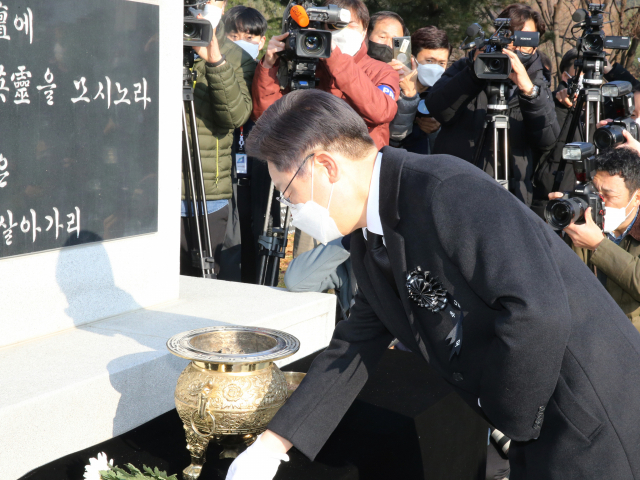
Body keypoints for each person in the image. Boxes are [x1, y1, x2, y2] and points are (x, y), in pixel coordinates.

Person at [226, 89, 640, 480]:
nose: (292, 209)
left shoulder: (444, 189)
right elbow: (355, 344)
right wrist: (272, 444)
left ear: (326, 167)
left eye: (289, 192)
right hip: (537, 415)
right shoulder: (369, 235)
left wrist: (506, 417)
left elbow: (538, 312)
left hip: (590, 411)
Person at [426, 3, 559, 206]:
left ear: (535, 45)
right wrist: (474, 73)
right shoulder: (467, 66)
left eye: (525, 40)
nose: (515, 47)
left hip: (512, 195)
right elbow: (437, 109)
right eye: (511, 37)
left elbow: (548, 140)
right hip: (458, 188)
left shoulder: (537, 82)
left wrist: (529, 91)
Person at [251, 0, 400, 150]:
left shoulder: (382, 71)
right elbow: (268, 118)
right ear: (322, 28)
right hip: (314, 165)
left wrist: (337, 59)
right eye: (334, 25)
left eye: (351, 25)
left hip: (360, 167)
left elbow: (381, 112)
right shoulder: (308, 66)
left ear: (364, 31)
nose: (343, 31)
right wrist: (269, 66)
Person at [180, 0, 255, 279]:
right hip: (155, 192)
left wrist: (214, 60)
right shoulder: (154, 42)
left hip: (208, 195)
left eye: (210, 0)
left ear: (222, 4)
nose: (203, 5)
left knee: (204, 286)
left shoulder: (238, 57)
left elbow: (235, 117)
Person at [549, 147, 640, 333]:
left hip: (630, 342)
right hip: (588, 336)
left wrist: (599, 245)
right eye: (596, 192)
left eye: (609, 196)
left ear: (637, 197)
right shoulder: (589, 219)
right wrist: (562, 224)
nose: (601, 201)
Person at [221, 5, 280, 283]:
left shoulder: (270, 71)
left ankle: (259, 283)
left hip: (259, 165)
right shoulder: (218, 69)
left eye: (252, 37)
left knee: (260, 226)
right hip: (227, 165)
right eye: (236, 36)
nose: (245, 43)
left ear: (263, 41)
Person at [366, 11, 418, 146]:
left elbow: (398, 133)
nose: (388, 44)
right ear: (366, 35)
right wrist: (381, 75)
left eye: (395, 41)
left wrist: (409, 94)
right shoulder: (353, 65)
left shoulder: (405, 73)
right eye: (382, 36)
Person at [397, 26, 452, 154]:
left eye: (441, 63)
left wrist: (436, 129)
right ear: (412, 59)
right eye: (429, 60)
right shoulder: (393, 86)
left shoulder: (444, 92)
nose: (435, 67)